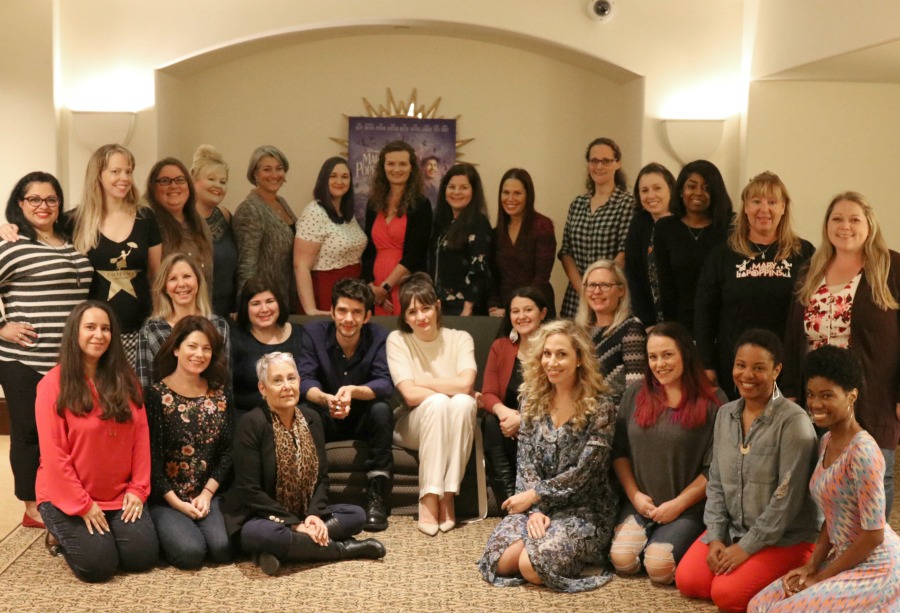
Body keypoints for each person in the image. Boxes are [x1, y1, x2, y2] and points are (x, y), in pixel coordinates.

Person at [675, 329, 820, 613]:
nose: (747, 375)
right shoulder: (725, 414)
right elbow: (715, 481)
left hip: (786, 536)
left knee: (727, 596)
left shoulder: (794, 423)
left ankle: (804, 568)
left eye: (759, 368)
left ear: (777, 370)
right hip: (734, 529)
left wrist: (746, 549)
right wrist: (716, 536)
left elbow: (786, 502)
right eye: (740, 365)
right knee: (688, 581)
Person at [749, 345, 900, 612]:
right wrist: (811, 565)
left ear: (852, 396)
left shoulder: (863, 452)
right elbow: (833, 515)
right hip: (842, 556)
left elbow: (873, 535)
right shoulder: (827, 440)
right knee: (759, 605)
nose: (815, 404)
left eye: (827, 395)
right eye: (811, 394)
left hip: (876, 565)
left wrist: (820, 578)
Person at [477, 319, 619, 592]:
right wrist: (535, 510)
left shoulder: (602, 406)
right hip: (537, 506)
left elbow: (586, 473)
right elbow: (526, 462)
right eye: (547, 353)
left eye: (562, 354)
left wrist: (536, 495)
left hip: (584, 509)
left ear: (579, 359)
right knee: (501, 561)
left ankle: (574, 553)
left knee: (531, 567)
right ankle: (542, 546)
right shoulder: (531, 399)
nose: (552, 362)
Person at [783, 191, 900, 517]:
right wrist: (791, 390)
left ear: (869, 224)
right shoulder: (812, 270)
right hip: (817, 395)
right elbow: (794, 337)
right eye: (837, 218)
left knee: (874, 475)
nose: (845, 226)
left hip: (874, 393)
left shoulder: (891, 266)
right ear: (827, 225)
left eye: (854, 219)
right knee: (823, 474)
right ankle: (828, 552)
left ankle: (872, 554)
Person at [221, 352, 386, 575]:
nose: (287, 386)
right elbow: (250, 491)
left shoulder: (312, 418)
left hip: (303, 511)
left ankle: (277, 551)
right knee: (262, 535)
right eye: (277, 380)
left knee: (356, 515)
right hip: (260, 516)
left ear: (299, 381)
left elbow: (322, 477)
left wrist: (313, 516)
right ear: (262, 389)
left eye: (291, 378)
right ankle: (345, 549)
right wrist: (294, 524)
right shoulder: (251, 424)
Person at [35, 301, 159, 582]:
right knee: (99, 567)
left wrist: (138, 489)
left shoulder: (126, 380)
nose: (99, 335)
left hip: (118, 494)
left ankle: (105, 534)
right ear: (74, 333)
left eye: (105, 329)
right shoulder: (51, 385)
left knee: (142, 557)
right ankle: (57, 533)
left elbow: (141, 438)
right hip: (68, 496)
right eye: (90, 327)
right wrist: (82, 505)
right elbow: (54, 456)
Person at [0, 172, 93, 528]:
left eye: (51, 199)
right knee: (28, 433)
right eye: (34, 199)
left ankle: (61, 492)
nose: (43, 206)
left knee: (65, 432)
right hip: (24, 360)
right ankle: (31, 505)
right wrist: (2, 326)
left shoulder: (70, 241)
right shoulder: (13, 245)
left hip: (67, 361)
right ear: (20, 204)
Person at [610, 322, 725, 585]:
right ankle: (651, 538)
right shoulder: (635, 393)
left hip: (688, 507)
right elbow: (620, 453)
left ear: (685, 353)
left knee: (659, 568)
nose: (659, 363)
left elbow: (715, 469)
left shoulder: (714, 401)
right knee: (623, 561)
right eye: (653, 357)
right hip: (641, 503)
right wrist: (635, 496)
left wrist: (678, 505)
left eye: (667, 355)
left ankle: (665, 541)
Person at [694, 171, 814, 398]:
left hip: (788, 369)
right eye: (756, 201)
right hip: (737, 368)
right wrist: (706, 363)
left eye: (772, 202)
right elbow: (704, 311)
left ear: (783, 207)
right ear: (746, 207)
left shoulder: (804, 253)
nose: (764, 209)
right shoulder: (723, 255)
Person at [297, 279, 394, 531]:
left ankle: (377, 498)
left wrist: (352, 392)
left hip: (362, 416)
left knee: (382, 409)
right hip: (326, 413)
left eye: (356, 312)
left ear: (367, 316)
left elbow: (384, 383)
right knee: (306, 412)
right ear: (332, 312)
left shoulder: (380, 337)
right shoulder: (314, 333)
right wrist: (326, 398)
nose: (348, 318)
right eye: (342, 311)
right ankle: (317, 499)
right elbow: (305, 380)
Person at [386, 273, 477, 536]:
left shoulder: (460, 338)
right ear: (404, 317)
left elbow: (465, 386)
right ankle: (428, 498)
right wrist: (447, 386)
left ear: (437, 306)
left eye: (425, 308)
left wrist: (423, 380)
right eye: (412, 311)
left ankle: (447, 494)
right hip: (410, 424)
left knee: (462, 403)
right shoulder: (398, 340)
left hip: (453, 420)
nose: (421, 317)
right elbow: (410, 396)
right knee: (438, 402)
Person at [146, 316, 234, 569]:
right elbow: (150, 459)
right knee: (190, 553)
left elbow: (227, 452)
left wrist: (207, 494)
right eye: (192, 346)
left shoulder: (221, 393)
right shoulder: (155, 395)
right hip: (166, 497)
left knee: (223, 548)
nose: (199, 354)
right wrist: (177, 503)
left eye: (206, 348)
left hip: (209, 493)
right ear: (176, 349)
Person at [478, 287, 550, 505]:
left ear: (543, 313)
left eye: (528, 310)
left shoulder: (553, 347)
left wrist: (523, 419)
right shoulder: (501, 347)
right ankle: (509, 497)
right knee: (490, 420)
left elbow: (558, 396)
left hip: (542, 424)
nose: (521, 316)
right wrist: (505, 413)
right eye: (515, 311)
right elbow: (488, 393)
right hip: (506, 429)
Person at [557, 137, 634, 318]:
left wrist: (599, 288)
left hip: (609, 297)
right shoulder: (577, 204)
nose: (599, 166)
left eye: (606, 161)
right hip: (577, 298)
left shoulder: (627, 203)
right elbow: (566, 252)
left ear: (617, 163)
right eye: (594, 161)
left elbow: (624, 252)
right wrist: (584, 290)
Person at [654, 160, 732, 334]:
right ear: (681, 190)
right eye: (692, 186)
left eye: (706, 188)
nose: (698, 193)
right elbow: (664, 284)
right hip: (680, 320)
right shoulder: (665, 228)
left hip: (721, 321)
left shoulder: (729, 227)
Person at [135, 253, 230, 388]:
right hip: (162, 405)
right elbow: (144, 382)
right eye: (173, 279)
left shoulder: (218, 325)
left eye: (187, 276)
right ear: (165, 288)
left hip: (210, 405)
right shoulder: (151, 329)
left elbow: (224, 379)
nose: (181, 284)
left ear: (198, 281)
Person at [361, 140, 433, 315]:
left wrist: (385, 287)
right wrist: (372, 287)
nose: (396, 169)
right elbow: (369, 249)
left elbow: (415, 254)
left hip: (406, 286)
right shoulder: (373, 204)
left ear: (411, 168)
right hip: (377, 290)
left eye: (403, 164)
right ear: (383, 167)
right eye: (391, 163)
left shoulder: (421, 204)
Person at [293, 157, 366, 315]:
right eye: (333, 176)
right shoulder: (314, 212)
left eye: (345, 177)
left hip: (351, 292)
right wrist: (311, 310)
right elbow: (301, 266)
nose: (339, 181)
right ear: (323, 179)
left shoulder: (347, 213)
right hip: (326, 292)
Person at [230, 275, 304, 423]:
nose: (264, 309)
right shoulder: (234, 338)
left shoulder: (301, 334)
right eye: (256, 303)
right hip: (248, 420)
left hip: (295, 417)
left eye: (270, 301)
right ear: (246, 308)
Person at [233, 145, 298, 311]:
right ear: (255, 174)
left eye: (279, 169)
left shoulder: (282, 202)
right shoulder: (250, 209)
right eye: (267, 169)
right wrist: (246, 307)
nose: (274, 175)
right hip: (264, 303)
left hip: (285, 297)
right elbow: (247, 265)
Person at [488, 168, 557, 319]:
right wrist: (493, 307)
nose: (510, 198)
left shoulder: (543, 226)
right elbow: (493, 276)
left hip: (536, 308)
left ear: (528, 196)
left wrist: (522, 308)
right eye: (506, 192)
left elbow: (542, 277)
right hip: (504, 311)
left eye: (517, 193)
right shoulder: (496, 233)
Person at [575, 259, 646, 404]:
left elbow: (636, 390)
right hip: (577, 414)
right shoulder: (578, 331)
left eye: (605, 285)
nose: (596, 291)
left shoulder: (632, 329)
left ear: (621, 290)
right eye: (591, 285)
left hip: (613, 419)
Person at [428, 162, 492, 316]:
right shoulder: (444, 223)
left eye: (464, 187)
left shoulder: (479, 223)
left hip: (464, 309)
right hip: (441, 305)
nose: (456, 192)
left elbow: (479, 269)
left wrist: (468, 308)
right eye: (451, 187)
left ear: (473, 191)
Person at [144, 157, 214, 290]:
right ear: (153, 187)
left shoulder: (199, 223)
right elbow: (152, 280)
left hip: (200, 307)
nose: (174, 186)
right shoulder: (148, 224)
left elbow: (208, 280)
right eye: (165, 181)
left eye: (180, 180)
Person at [623, 163, 675, 327]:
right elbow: (634, 276)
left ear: (671, 190)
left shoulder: (683, 224)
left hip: (682, 319)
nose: (651, 195)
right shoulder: (638, 224)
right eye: (644, 190)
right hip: (649, 319)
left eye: (657, 188)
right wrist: (646, 323)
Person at [191, 145, 238, 317]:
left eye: (223, 181)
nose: (218, 186)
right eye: (211, 179)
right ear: (193, 180)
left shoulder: (225, 216)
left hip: (227, 313)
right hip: (195, 313)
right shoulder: (182, 219)